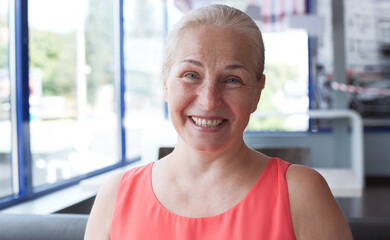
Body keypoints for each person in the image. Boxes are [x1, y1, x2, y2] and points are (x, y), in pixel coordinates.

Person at [84, 4, 352, 240]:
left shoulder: (301, 193)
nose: (209, 100)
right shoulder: (115, 196)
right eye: (191, 75)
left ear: (257, 92)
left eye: (233, 80)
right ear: (165, 83)